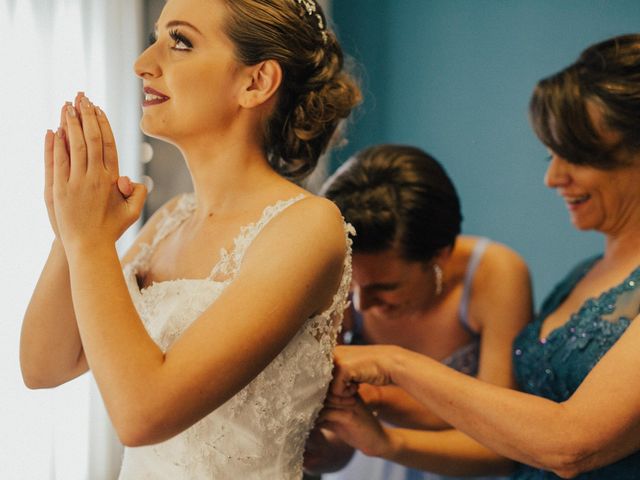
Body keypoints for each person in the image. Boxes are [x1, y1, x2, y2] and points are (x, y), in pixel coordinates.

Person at [19, 0, 360, 478]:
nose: (143, 62)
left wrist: (93, 243)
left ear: (255, 82)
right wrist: (72, 233)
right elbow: (44, 366)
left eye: (179, 41)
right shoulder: (169, 223)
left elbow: (142, 415)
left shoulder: (306, 227)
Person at [325, 34, 640, 479]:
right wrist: (378, 434)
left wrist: (395, 363)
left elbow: (573, 446)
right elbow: (510, 419)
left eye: (576, 157)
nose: (553, 178)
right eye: (551, 155)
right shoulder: (580, 277)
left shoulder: (497, 272)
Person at [304, 144, 532, 480]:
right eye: (351, 287)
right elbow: (340, 446)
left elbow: (503, 440)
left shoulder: (494, 275)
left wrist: (373, 400)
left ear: (438, 256)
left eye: (386, 287)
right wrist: (317, 451)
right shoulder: (338, 275)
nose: (362, 305)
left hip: (461, 463)